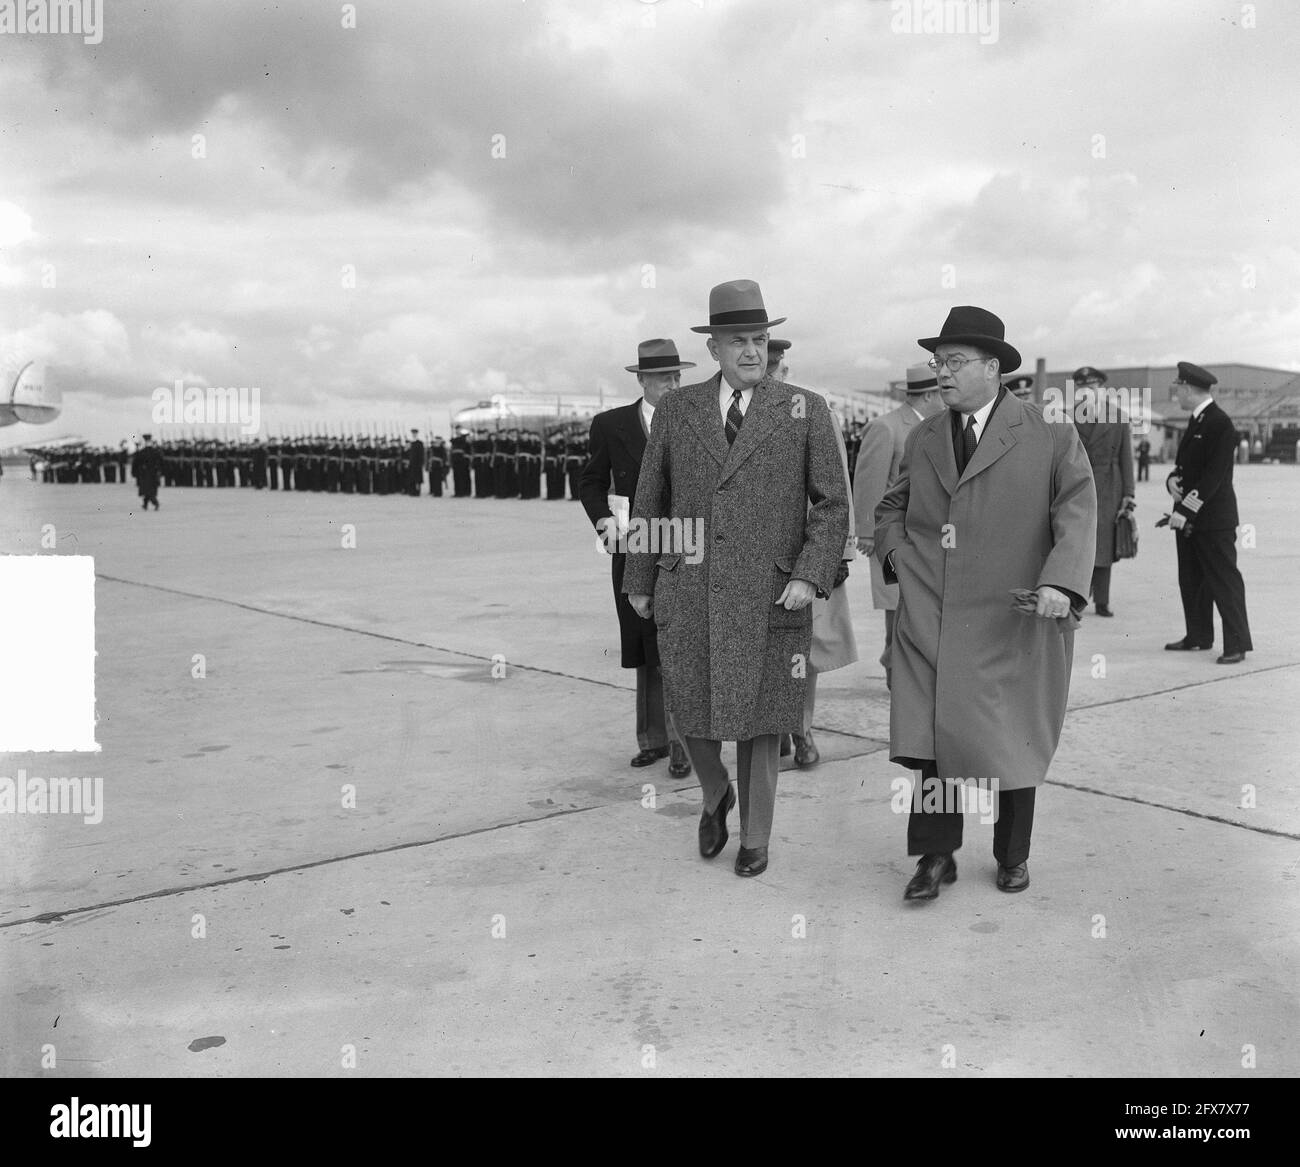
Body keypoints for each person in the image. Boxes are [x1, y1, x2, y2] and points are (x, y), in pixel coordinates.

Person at [623, 280, 849, 878]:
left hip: (771, 592)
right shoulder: (676, 410)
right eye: (738, 340)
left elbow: (831, 504)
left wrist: (810, 574)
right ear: (715, 349)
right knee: (690, 708)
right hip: (689, 588)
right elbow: (650, 500)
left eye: (760, 339)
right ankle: (715, 790)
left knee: (761, 718)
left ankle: (756, 837)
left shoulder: (804, 409)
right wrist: (641, 577)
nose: (752, 351)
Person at [875, 306, 1096, 901]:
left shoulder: (1049, 431)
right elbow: (891, 509)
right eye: (937, 362)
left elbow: (1076, 508)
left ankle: (1012, 855)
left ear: (992, 368)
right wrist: (897, 560)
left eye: (954, 362)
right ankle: (935, 855)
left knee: (1011, 737)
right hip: (933, 615)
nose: (941, 373)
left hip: (1013, 615)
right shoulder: (923, 437)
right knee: (930, 741)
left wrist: (1061, 584)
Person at [580, 339, 695, 780]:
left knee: (680, 643)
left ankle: (684, 741)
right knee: (644, 642)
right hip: (633, 543)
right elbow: (590, 480)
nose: (674, 384)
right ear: (642, 380)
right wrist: (603, 521)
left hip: (685, 541)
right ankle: (653, 740)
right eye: (665, 377)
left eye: (678, 376)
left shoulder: (695, 419)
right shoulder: (610, 425)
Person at [769, 339, 858, 769]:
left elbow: (837, 485)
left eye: (774, 365)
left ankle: (801, 730)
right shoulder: (725, 418)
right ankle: (772, 736)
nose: (768, 374)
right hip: (753, 558)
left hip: (807, 553)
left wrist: (839, 551)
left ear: (785, 368)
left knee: (806, 652)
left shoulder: (812, 412)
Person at [852, 364, 946, 689]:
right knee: (896, 613)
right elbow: (868, 482)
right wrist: (865, 532)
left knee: (917, 613)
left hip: (927, 541)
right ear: (930, 394)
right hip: (893, 539)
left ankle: (909, 678)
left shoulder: (936, 426)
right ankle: (897, 679)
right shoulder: (887, 427)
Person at [1163, 362, 1253, 664]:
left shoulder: (1219, 423)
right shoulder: (1198, 420)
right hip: (1191, 518)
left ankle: (1237, 645)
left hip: (1212, 520)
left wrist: (1185, 510)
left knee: (1223, 580)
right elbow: (1187, 467)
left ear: (1188, 389)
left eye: (1178, 389)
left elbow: (1214, 476)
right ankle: (1199, 636)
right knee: (1192, 580)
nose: (1176, 395)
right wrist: (1171, 480)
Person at [1071, 366, 1135, 617]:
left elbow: (1125, 458)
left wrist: (1129, 493)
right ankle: (1079, 595)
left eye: (1093, 387)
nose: (1088, 391)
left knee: (1105, 544)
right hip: (1079, 485)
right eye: (1083, 388)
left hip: (1110, 486)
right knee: (1080, 542)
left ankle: (1103, 600)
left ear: (1101, 389)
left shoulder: (1118, 416)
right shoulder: (1068, 418)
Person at [131, 433, 164, 511]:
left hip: (146, 474)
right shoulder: (155, 451)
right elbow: (161, 463)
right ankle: (145, 504)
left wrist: (134, 472)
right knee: (148, 490)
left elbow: (135, 463)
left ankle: (155, 503)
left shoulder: (142, 452)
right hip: (151, 474)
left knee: (147, 490)